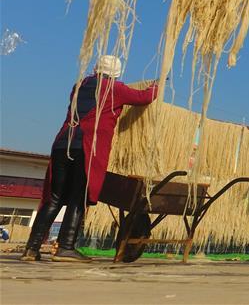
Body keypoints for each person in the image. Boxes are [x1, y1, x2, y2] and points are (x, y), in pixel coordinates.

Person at [21, 55, 158, 262]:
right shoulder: (114, 89)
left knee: (54, 198)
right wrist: (156, 87)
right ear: (116, 73)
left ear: (96, 69)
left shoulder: (80, 85)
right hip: (86, 147)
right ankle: (66, 247)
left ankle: (31, 249)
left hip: (62, 144)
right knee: (79, 197)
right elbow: (143, 98)